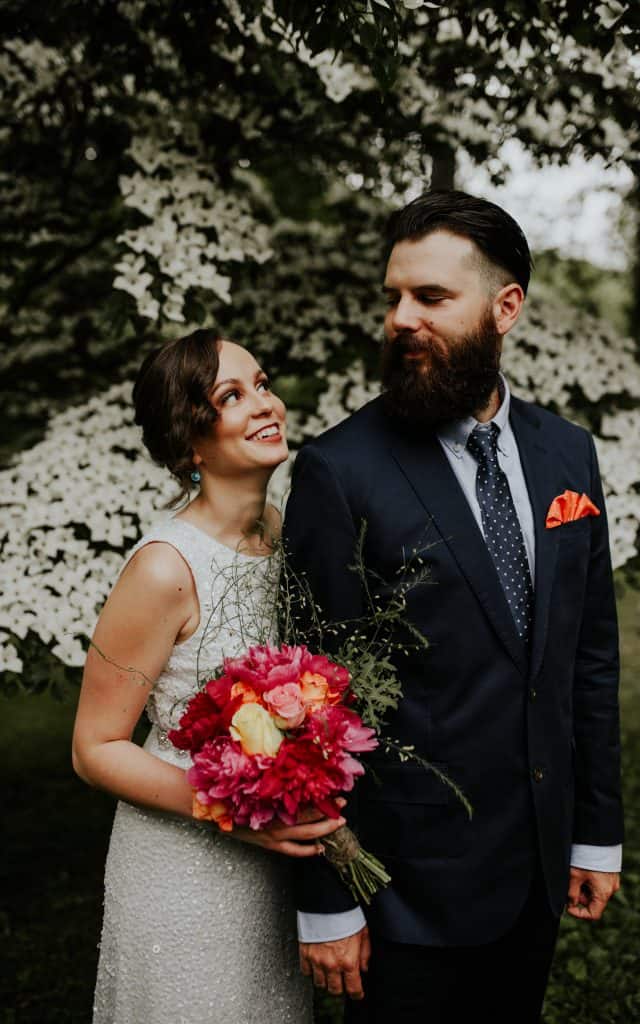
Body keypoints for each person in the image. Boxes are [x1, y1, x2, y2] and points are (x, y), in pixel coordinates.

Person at [282, 191, 623, 1022]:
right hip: (404, 891)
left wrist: (594, 834)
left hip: (538, 868)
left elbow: (588, 659)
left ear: (505, 308)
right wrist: (328, 897)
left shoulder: (566, 451)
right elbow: (301, 700)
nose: (402, 318)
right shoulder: (339, 469)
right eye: (394, 296)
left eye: (432, 298)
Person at [72, 329, 345, 1024]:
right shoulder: (164, 568)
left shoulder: (284, 533)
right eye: (232, 395)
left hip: (273, 864)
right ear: (190, 441)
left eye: (261, 382)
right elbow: (94, 747)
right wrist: (229, 810)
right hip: (183, 870)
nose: (265, 404)